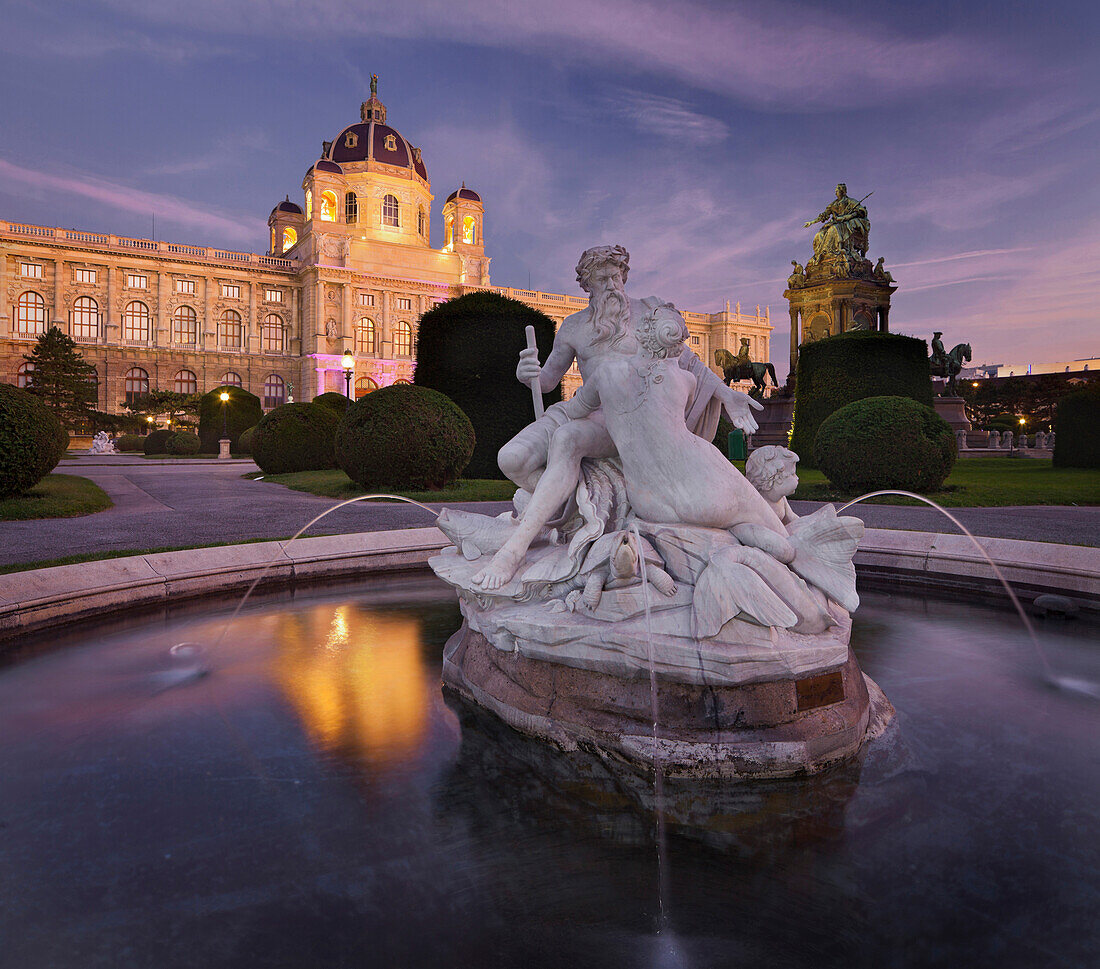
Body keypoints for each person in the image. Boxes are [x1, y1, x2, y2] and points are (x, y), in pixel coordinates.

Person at [474, 301, 785, 589]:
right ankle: (794, 563)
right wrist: (531, 377)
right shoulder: (579, 328)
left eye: (616, 274)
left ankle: (521, 545)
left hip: (645, 481)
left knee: (566, 438)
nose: (611, 283)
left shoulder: (638, 322)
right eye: (602, 277)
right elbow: (690, 376)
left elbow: (694, 370)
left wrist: (726, 393)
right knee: (774, 537)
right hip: (695, 471)